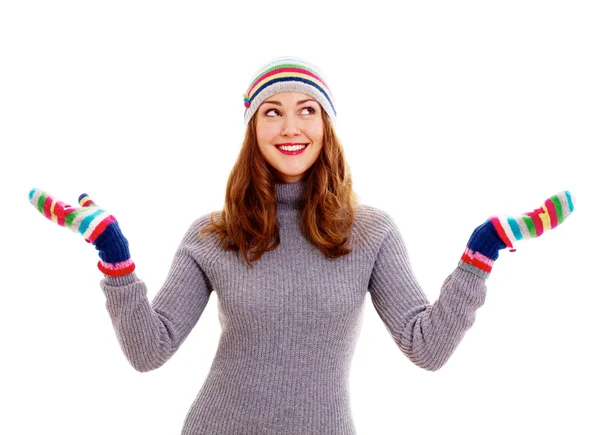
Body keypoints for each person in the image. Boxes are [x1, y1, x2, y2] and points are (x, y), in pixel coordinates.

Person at [28, 56, 575, 435]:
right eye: (273, 111)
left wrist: (480, 255)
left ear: (326, 125)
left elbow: (425, 347)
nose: (291, 126)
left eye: (307, 109)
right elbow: (150, 351)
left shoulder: (371, 232)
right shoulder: (211, 236)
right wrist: (114, 258)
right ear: (253, 129)